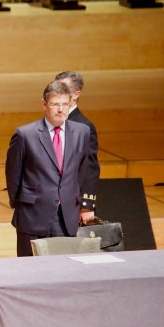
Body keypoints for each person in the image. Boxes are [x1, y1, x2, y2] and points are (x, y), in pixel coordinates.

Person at [5, 81, 91, 257]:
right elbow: (13, 174)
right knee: (30, 272)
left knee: (63, 272)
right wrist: (21, 204)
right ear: (44, 104)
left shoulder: (82, 132)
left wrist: (75, 200)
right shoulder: (25, 134)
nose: (61, 109)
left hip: (66, 217)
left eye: (65, 104)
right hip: (33, 215)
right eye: (55, 104)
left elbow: (82, 171)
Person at [55, 71, 98, 220]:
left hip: (69, 203)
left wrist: (86, 206)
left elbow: (89, 167)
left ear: (75, 94)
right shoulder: (48, 122)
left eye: (62, 89)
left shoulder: (84, 126)